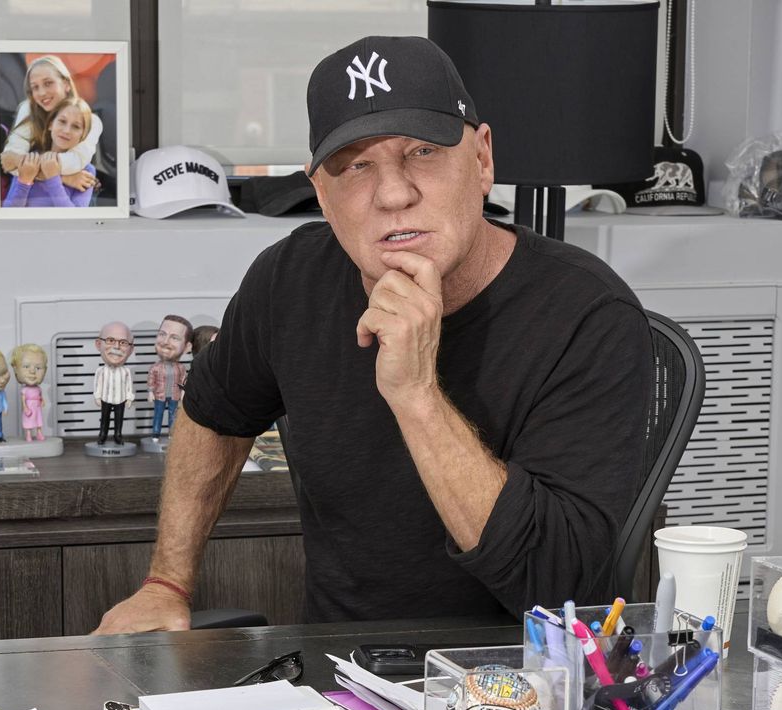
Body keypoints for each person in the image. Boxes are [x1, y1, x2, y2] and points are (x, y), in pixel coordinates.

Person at [95, 36, 652, 634]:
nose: (393, 194)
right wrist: (166, 583)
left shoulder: (589, 314)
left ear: (482, 160)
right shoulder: (290, 278)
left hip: (522, 674)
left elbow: (561, 590)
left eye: (423, 152)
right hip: (338, 668)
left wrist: (416, 394)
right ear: (321, 193)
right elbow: (212, 412)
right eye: (356, 165)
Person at [0, 55, 101, 195]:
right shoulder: (29, 108)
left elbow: (74, 162)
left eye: (48, 83)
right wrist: (66, 178)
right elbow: (8, 162)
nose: (41, 92)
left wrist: (23, 164)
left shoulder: (92, 121)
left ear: (66, 84)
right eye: (35, 87)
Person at [2, 97, 96, 208]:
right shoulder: (31, 159)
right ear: (51, 124)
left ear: (83, 135)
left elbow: (75, 216)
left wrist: (53, 178)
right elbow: (9, 211)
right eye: (62, 121)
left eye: (76, 126)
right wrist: (24, 181)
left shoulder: (86, 170)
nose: (66, 130)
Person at [147, 315, 192, 440]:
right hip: (159, 395)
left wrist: (183, 393)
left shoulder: (181, 368)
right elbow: (151, 380)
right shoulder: (155, 367)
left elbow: (183, 381)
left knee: (173, 415)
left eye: (174, 338)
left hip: (174, 395)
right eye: (162, 334)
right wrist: (150, 392)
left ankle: (172, 435)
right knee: (158, 415)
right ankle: (156, 434)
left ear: (187, 347)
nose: (166, 342)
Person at [93, 322, 134, 445]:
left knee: (119, 418)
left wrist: (129, 397)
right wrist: (97, 396)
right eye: (110, 340)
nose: (116, 347)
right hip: (105, 398)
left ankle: (118, 435)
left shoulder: (126, 371)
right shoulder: (101, 371)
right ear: (98, 344)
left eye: (123, 342)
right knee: (104, 418)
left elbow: (129, 385)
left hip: (120, 399)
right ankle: (102, 435)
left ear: (131, 349)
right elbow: (97, 384)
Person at [10, 343, 48, 441]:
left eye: (38, 368)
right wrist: (25, 407)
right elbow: (23, 400)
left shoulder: (38, 388)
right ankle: (28, 434)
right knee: (29, 420)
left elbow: (40, 396)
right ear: (16, 369)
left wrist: (42, 401)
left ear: (45, 370)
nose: (32, 371)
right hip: (30, 407)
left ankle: (39, 432)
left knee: (38, 420)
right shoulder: (25, 390)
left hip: (37, 407)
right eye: (26, 366)